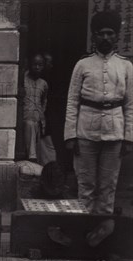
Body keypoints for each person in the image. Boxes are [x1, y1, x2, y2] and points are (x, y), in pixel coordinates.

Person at [64, 11, 133, 247]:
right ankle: (83, 236)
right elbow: (72, 101)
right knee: (86, 185)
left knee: (108, 185)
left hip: (114, 132)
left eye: (110, 33)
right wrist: (70, 135)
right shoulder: (82, 64)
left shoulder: (125, 66)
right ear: (94, 36)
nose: (105, 37)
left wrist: (128, 137)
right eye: (101, 33)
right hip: (86, 131)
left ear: (116, 37)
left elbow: (130, 105)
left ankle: (104, 237)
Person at [23, 53, 50, 164]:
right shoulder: (23, 79)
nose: (37, 67)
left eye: (40, 65)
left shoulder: (43, 84)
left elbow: (44, 101)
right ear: (30, 64)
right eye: (35, 64)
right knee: (30, 124)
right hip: (25, 119)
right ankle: (31, 157)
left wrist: (41, 115)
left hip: (38, 120)